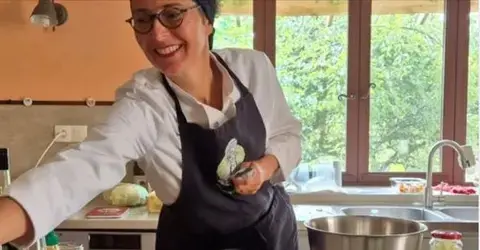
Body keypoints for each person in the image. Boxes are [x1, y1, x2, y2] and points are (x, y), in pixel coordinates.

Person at [0, 0, 302, 249]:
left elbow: (288, 136)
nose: (157, 35)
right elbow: (81, 168)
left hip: (269, 234)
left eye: (172, 15)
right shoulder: (144, 103)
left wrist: (264, 168)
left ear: (207, 20)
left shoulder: (253, 68)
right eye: (143, 19)